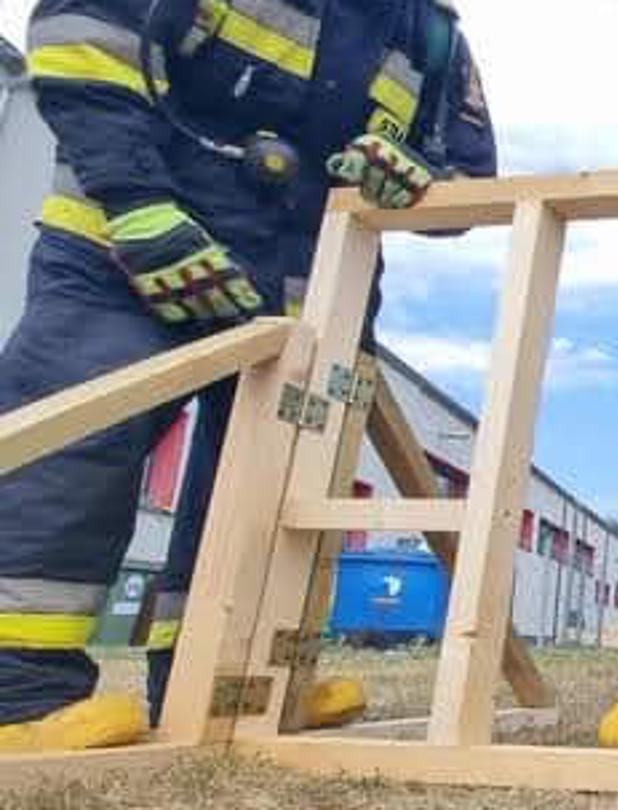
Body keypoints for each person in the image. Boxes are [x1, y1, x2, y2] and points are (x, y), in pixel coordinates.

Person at [0, 0, 495, 751]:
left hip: (304, 298)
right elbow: (81, 35)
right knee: (67, 466)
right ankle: (19, 699)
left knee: (268, 505)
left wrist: (414, 178)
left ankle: (221, 694)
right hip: (127, 258)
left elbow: (467, 177)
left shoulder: (429, 34)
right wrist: (136, 205)